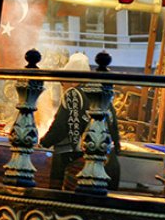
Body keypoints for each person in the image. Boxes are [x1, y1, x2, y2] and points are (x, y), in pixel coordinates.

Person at [40, 53, 121, 191]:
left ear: (72, 80)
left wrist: (42, 144)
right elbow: (115, 132)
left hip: (85, 167)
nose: (62, 85)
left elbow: (59, 128)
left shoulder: (73, 94)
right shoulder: (102, 94)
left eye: (62, 81)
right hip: (111, 167)